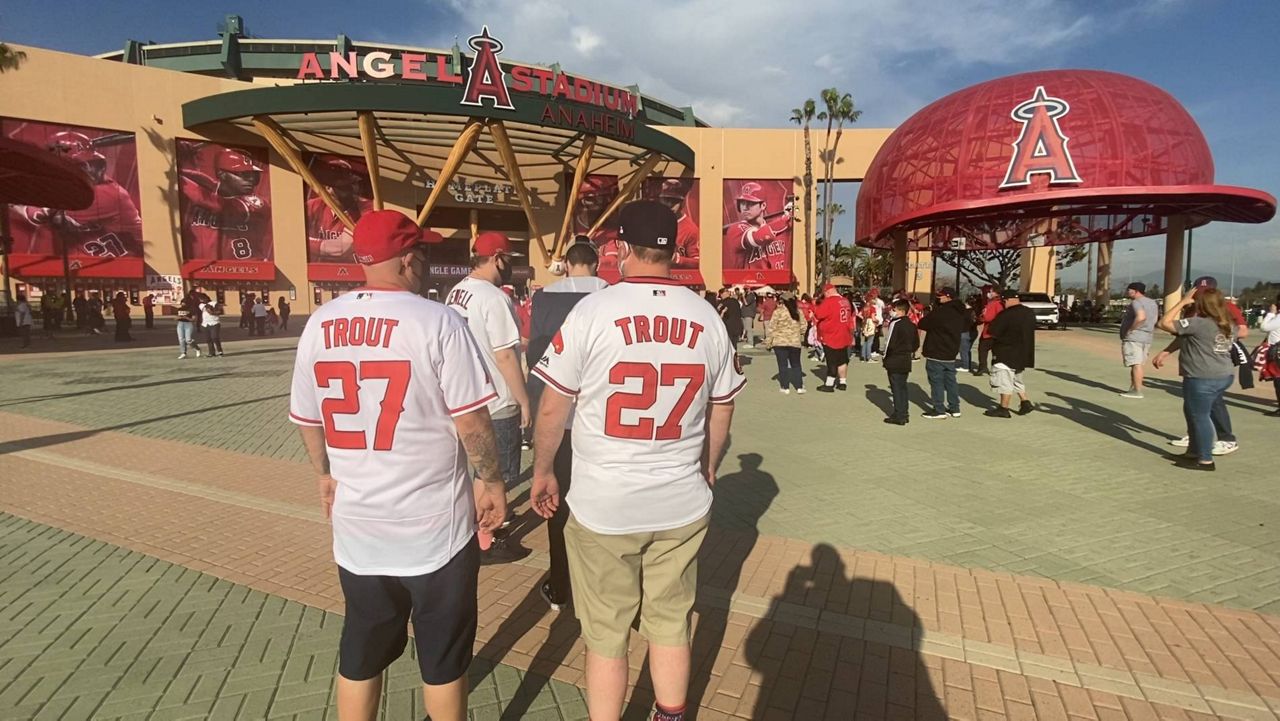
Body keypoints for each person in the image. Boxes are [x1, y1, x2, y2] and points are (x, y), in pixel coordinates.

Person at [530, 200, 744, 721]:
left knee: (606, 634)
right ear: (674, 251)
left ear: (623, 249)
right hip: (680, 500)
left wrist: (541, 472)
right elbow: (723, 407)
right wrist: (709, 465)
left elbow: (554, 406)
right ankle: (670, 715)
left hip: (604, 503)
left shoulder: (593, 311)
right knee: (671, 622)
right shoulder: (707, 317)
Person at [289, 210, 505, 721]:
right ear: (408, 259)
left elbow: (307, 416)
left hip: (358, 525)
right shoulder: (437, 321)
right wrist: (492, 480)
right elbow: (472, 422)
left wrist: (323, 473)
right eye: (423, 253)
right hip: (435, 529)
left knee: (361, 649)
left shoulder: (320, 322)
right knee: (443, 659)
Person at [525, 240, 609, 612]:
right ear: (596, 263)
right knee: (601, 507)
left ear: (568, 264)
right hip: (603, 420)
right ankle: (602, 584)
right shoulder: (613, 296)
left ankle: (560, 585)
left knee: (557, 505)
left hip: (559, 418)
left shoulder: (544, 299)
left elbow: (534, 356)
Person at [445, 231, 533, 564]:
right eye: (509, 259)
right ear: (497, 258)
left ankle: (473, 532)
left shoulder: (456, 292)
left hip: (463, 397)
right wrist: (524, 400)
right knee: (493, 473)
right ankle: (483, 538)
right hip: (495, 399)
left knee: (477, 471)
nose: (510, 265)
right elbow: (506, 356)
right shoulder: (494, 297)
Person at [1156, 276, 1248, 455]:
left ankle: (1222, 441)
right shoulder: (1194, 310)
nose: (1200, 295)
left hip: (1207, 369)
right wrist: (1166, 351)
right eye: (1198, 290)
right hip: (1203, 367)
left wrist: (1216, 337)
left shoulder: (1224, 309)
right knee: (1196, 407)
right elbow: (1186, 334)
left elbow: (1241, 331)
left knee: (1209, 408)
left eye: (1204, 292)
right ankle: (1197, 439)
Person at [985, 289, 1036, 418]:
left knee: (1004, 380)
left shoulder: (1006, 314)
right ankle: (1025, 402)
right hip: (1023, 352)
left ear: (1006, 300)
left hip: (1006, 352)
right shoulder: (1029, 312)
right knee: (1017, 379)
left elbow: (993, 330)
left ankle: (1003, 408)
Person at [917, 287, 966, 419]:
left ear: (948, 297)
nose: (939, 298)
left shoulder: (942, 312)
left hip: (936, 350)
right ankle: (955, 408)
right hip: (951, 351)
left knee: (936, 381)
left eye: (941, 296)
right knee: (951, 381)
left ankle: (939, 409)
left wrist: (933, 312)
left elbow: (923, 324)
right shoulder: (961, 311)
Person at [882, 298, 918, 425]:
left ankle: (899, 415)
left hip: (895, 358)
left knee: (896, 387)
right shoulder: (912, 325)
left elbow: (889, 343)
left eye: (894, 310)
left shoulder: (895, 323)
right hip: (906, 359)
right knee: (903, 387)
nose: (892, 312)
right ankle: (904, 412)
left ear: (901, 311)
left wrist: (885, 357)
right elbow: (916, 344)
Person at [1119, 282, 1158, 398]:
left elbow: (1141, 317)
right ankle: (1133, 387)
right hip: (1147, 336)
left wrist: (1131, 329)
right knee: (1138, 363)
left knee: (1135, 363)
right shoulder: (1153, 303)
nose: (1128, 292)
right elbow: (1155, 319)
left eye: (1129, 290)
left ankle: (1137, 390)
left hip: (1135, 337)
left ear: (1136, 291)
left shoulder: (1137, 302)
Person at [813, 283, 854, 392]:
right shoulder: (845, 301)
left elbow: (819, 314)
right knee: (842, 360)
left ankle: (829, 384)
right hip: (844, 334)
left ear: (828, 292)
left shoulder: (829, 301)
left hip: (831, 335)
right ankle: (842, 382)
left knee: (831, 361)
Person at [765, 293, 806, 394]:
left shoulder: (778, 312)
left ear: (782, 301)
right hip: (794, 342)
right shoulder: (798, 312)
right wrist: (799, 334)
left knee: (782, 365)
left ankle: (785, 387)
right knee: (796, 364)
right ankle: (799, 386)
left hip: (780, 342)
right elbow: (804, 325)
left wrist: (768, 342)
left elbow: (771, 328)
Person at [1255, 295, 1280, 417]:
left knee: (1278, 379)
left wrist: (1271, 313)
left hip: (1277, 350)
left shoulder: (1279, 317)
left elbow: (1264, 327)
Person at [976, 286, 1004, 374]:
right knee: (996, 351)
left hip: (989, 331)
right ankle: (995, 367)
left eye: (991, 291)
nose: (989, 293)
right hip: (998, 331)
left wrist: (980, 318)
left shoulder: (993, 303)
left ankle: (983, 367)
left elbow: (987, 317)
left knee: (982, 350)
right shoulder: (1002, 303)